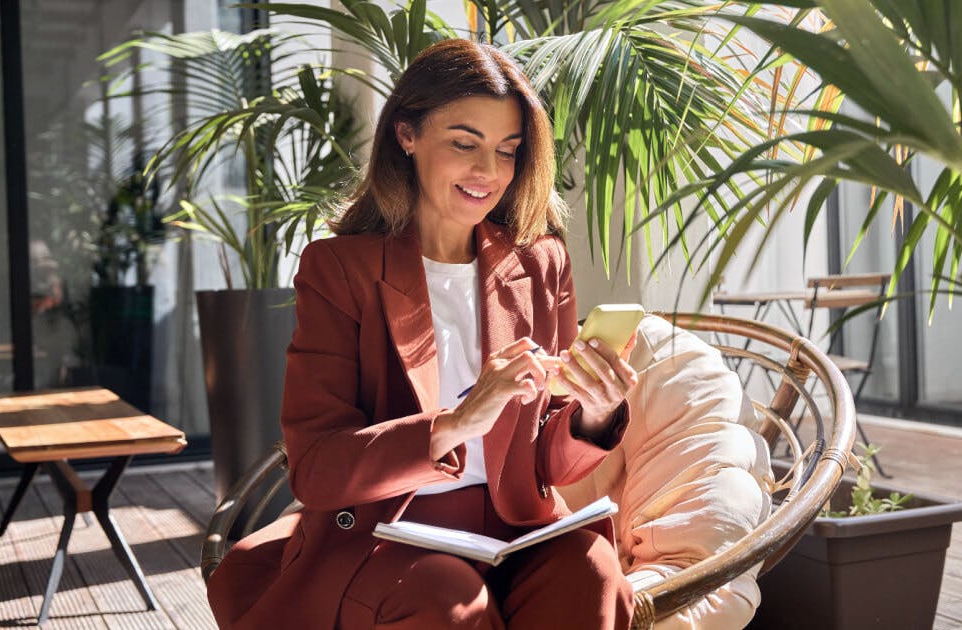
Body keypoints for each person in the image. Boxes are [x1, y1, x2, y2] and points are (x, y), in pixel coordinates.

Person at [206, 39, 639, 630]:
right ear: (406, 135)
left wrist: (593, 415)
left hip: (517, 528)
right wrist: (454, 425)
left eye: (507, 151)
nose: (488, 172)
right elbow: (315, 467)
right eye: (465, 144)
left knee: (591, 571)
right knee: (447, 598)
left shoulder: (542, 264)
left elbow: (550, 463)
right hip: (387, 534)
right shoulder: (339, 270)